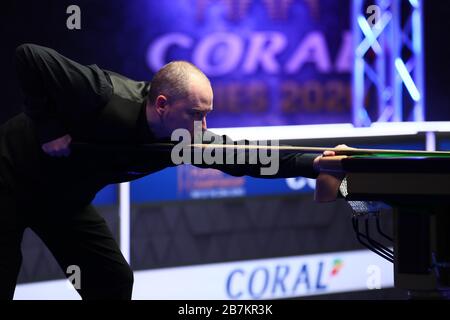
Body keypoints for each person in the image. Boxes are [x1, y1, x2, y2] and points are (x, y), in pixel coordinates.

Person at [0, 43, 338, 300]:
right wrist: (48, 128)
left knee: (112, 280)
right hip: (9, 177)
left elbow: (246, 156)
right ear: (162, 105)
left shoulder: (186, 140)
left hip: (64, 201)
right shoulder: (103, 94)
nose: (203, 126)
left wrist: (313, 163)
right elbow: (29, 56)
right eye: (195, 113)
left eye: (207, 115)